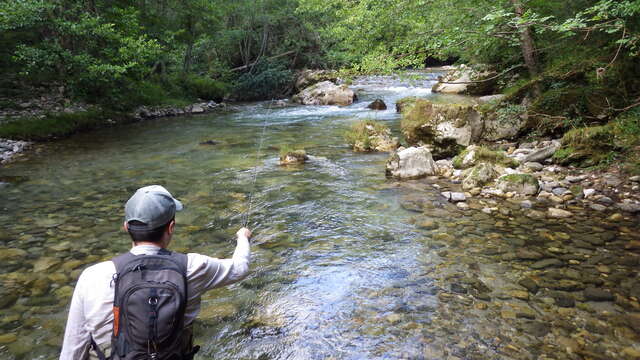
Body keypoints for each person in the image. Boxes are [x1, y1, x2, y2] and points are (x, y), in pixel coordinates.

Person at [60, 185, 251, 359]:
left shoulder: (92, 276)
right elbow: (240, 268)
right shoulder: (193, 267)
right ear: (171, 227)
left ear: (126, 227)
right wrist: (242, 238)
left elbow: (74, 348)